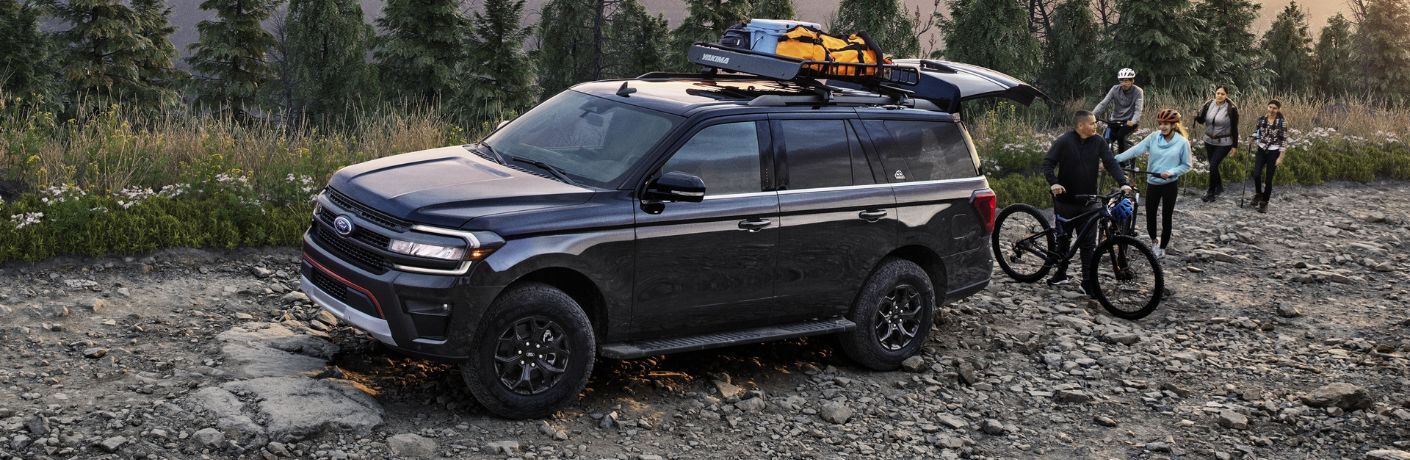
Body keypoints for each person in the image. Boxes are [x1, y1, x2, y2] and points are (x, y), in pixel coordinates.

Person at [1042, 110, 1133, 295]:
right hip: (1065, 201)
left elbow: (1110, 163)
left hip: (1089, 201)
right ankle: (1061, 273)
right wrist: (1054, 183)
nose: (1096, 126)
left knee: (1088, 245)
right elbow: (1047, 163)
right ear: (1080, 126)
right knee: (1064, 240)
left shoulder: (1099, 141)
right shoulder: (1064, 140)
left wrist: (1123, 182)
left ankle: (1087, 281)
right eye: (1092, 123)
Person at [1114, 109, 1193, 258]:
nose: (1163, 127)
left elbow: (1187, 165)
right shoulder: (1153, 137)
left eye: (1166, 124)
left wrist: (1171, 172)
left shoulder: (1182, 142)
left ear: (1174, 125)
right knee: (1150, 215)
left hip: (1170, 184)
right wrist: (1115, 159)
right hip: (1153, 183)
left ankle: (1163, 247)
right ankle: (1154, 242)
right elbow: (1136, 150)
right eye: (1161, 124)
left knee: (1166, 216)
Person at [1194, 85, 1240, 202]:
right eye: (1218, 93)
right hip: (1209, 141)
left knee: (1213, 165)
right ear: (1215, 93)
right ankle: (1219, 187)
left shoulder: (1231, 109)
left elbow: (1234, 128)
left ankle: (1211, 192)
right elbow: (1202, 120)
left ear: (1226, 95)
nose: (1220, 95)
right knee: (1213, 166)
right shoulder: (1209, 105)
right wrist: (1196, 117)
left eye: (1222, 94)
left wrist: (1235, 146)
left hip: (1224, 142)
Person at [1093, 68, 1145, 156]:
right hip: (1115, 120)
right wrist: (1092, 115)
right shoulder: (1115, 89)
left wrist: (1133, 121)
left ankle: (1123, 162)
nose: (1123, 84)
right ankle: (1109, 161)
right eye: (1121, 81)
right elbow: (1103, 103)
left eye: (1126, 81)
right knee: (1106, 140)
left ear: (1132, 81)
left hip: (1129, 122)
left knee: (1121, 136)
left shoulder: (1138, 91)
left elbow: (1138, 110)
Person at [1251, 100, 1288, 213]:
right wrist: (1252, 138)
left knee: (1268, 179)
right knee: (1256, 174)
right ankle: (1258, 194)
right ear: (1267, 107)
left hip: (1274, 151)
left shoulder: (1282, 123)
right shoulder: (1261, 119)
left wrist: (1280, 157)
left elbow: (1284, 140)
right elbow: (1257, 132)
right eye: (1270, 107)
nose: (1271, 110)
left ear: (1278, 109)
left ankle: (1264, 202)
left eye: (1274, 108)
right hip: (1261, 149)